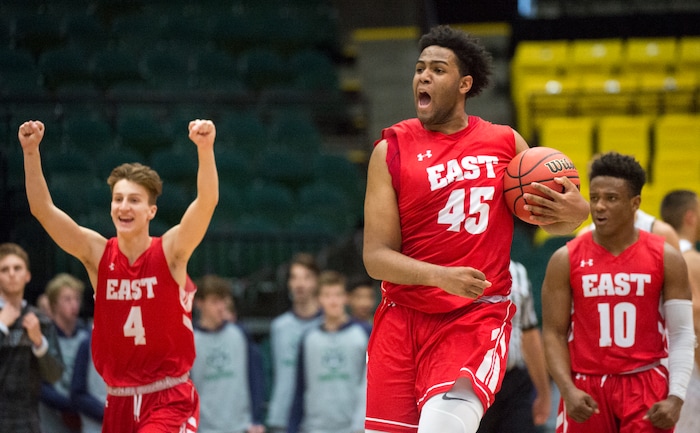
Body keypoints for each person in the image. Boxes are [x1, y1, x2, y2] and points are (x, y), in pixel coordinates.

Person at [362, 24, 589, 433]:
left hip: (474, 319)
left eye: (437, 69)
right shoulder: (390, 149)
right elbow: (375, 258)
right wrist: (438, 276)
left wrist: (577, 211)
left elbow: (556, 221)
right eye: (419, 69)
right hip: (400, 323)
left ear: (465, 83)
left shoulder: (504, 143)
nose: (423, 77)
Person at [18, 118, 219, 432]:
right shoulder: (98, 255)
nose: (124, 207)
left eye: (134, 200)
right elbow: (43, 209)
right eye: (118, 199)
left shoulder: (171, 251)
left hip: (168, 398)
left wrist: (205, 150)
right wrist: (31, 153)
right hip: (119, 401)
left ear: (151, 211)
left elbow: (206, 203)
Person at [541, 152, 695, 433]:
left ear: (635, 203)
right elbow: (552, 332)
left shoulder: (666, 257)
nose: (599, 206)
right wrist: (566, 389)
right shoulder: (565, 258)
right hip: (586, 387)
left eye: (611, 198)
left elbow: (682, 332)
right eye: (595, 197)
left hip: (645, 384)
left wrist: (676, 396)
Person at [288, 270, 369, 433]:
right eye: (327, 295)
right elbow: (300, 386)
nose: (333, 301)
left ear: (346, 298)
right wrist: (293, 426)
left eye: (338, 295)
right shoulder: (309, 338)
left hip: (353, 427)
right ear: (318, 300)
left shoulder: (364, 333)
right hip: (315, 427)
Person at [477, 260, 551, 433]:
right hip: (474, 381)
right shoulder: (457, 267)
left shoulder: (518, 271)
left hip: (514, 379)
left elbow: (530, 333)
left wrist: (543, 392)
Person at [0, 242, 64, 433]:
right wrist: (1, 325)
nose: (12, 273)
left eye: (17, 268)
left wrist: (39, 342)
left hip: (27, 422)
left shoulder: (41, 321)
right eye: (4, 269)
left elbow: (55, 375)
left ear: (27, 275)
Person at [190, 274, 265, 433]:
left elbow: (255, 377)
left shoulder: (239, 334)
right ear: (199, 304)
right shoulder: (190, 340)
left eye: (223, 301)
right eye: (214, 302)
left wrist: (255, 419)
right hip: (205, 428)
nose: (221, 307)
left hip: (241, 427)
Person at [266, 252, 323, 433]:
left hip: (320, 420)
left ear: (316, 282)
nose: (299, 284)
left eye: (306, 277)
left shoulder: (327, 325)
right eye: (294, 278)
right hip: (281, 418)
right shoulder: (279, 327)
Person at [660, 189, 700, 433]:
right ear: (690, 217)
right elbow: (695, 316)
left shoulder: (654, 254)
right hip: (689, 370)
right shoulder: (691, 259)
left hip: (657, 370)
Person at [40, 273, 90, 433]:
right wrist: (73, 405)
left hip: (84, 418)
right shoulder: (43, 337)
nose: (74, 304)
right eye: (67, 299)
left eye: (77, 299)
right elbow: (41, 386)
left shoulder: (87, 335)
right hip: (52, 418)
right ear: (54, 304)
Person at [71, 334, 107, 433]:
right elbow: (77, 395)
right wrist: (110, 415)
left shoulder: (136, 344)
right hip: (95, 428)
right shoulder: (87, 344)